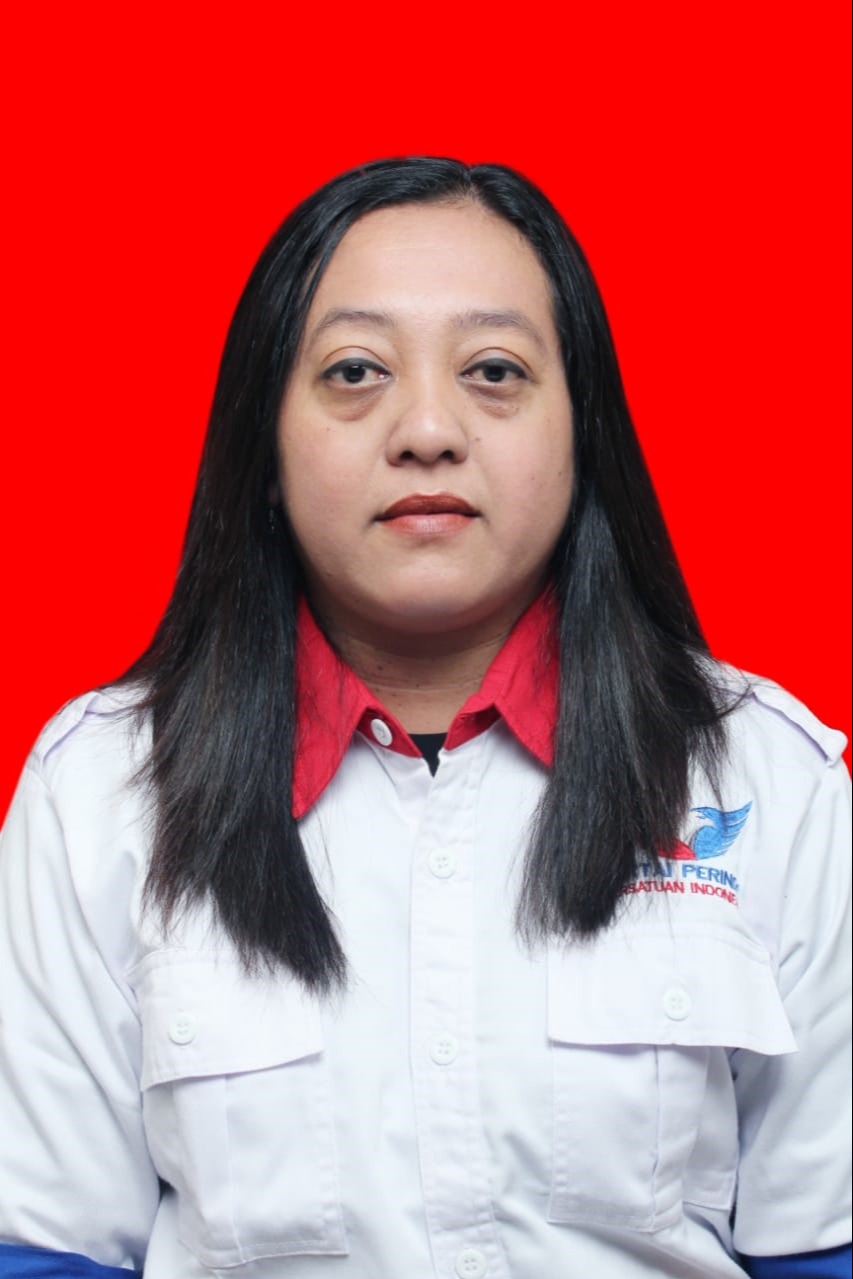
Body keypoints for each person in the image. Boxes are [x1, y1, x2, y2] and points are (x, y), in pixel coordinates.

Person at [0, 158, 849, 1279]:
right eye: (355, 372)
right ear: (266, 443)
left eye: (494, 371)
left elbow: (823, 1246)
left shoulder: (764, 778)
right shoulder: (100, 793)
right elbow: (51, 1252)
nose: (428, 429)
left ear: (582, 432)